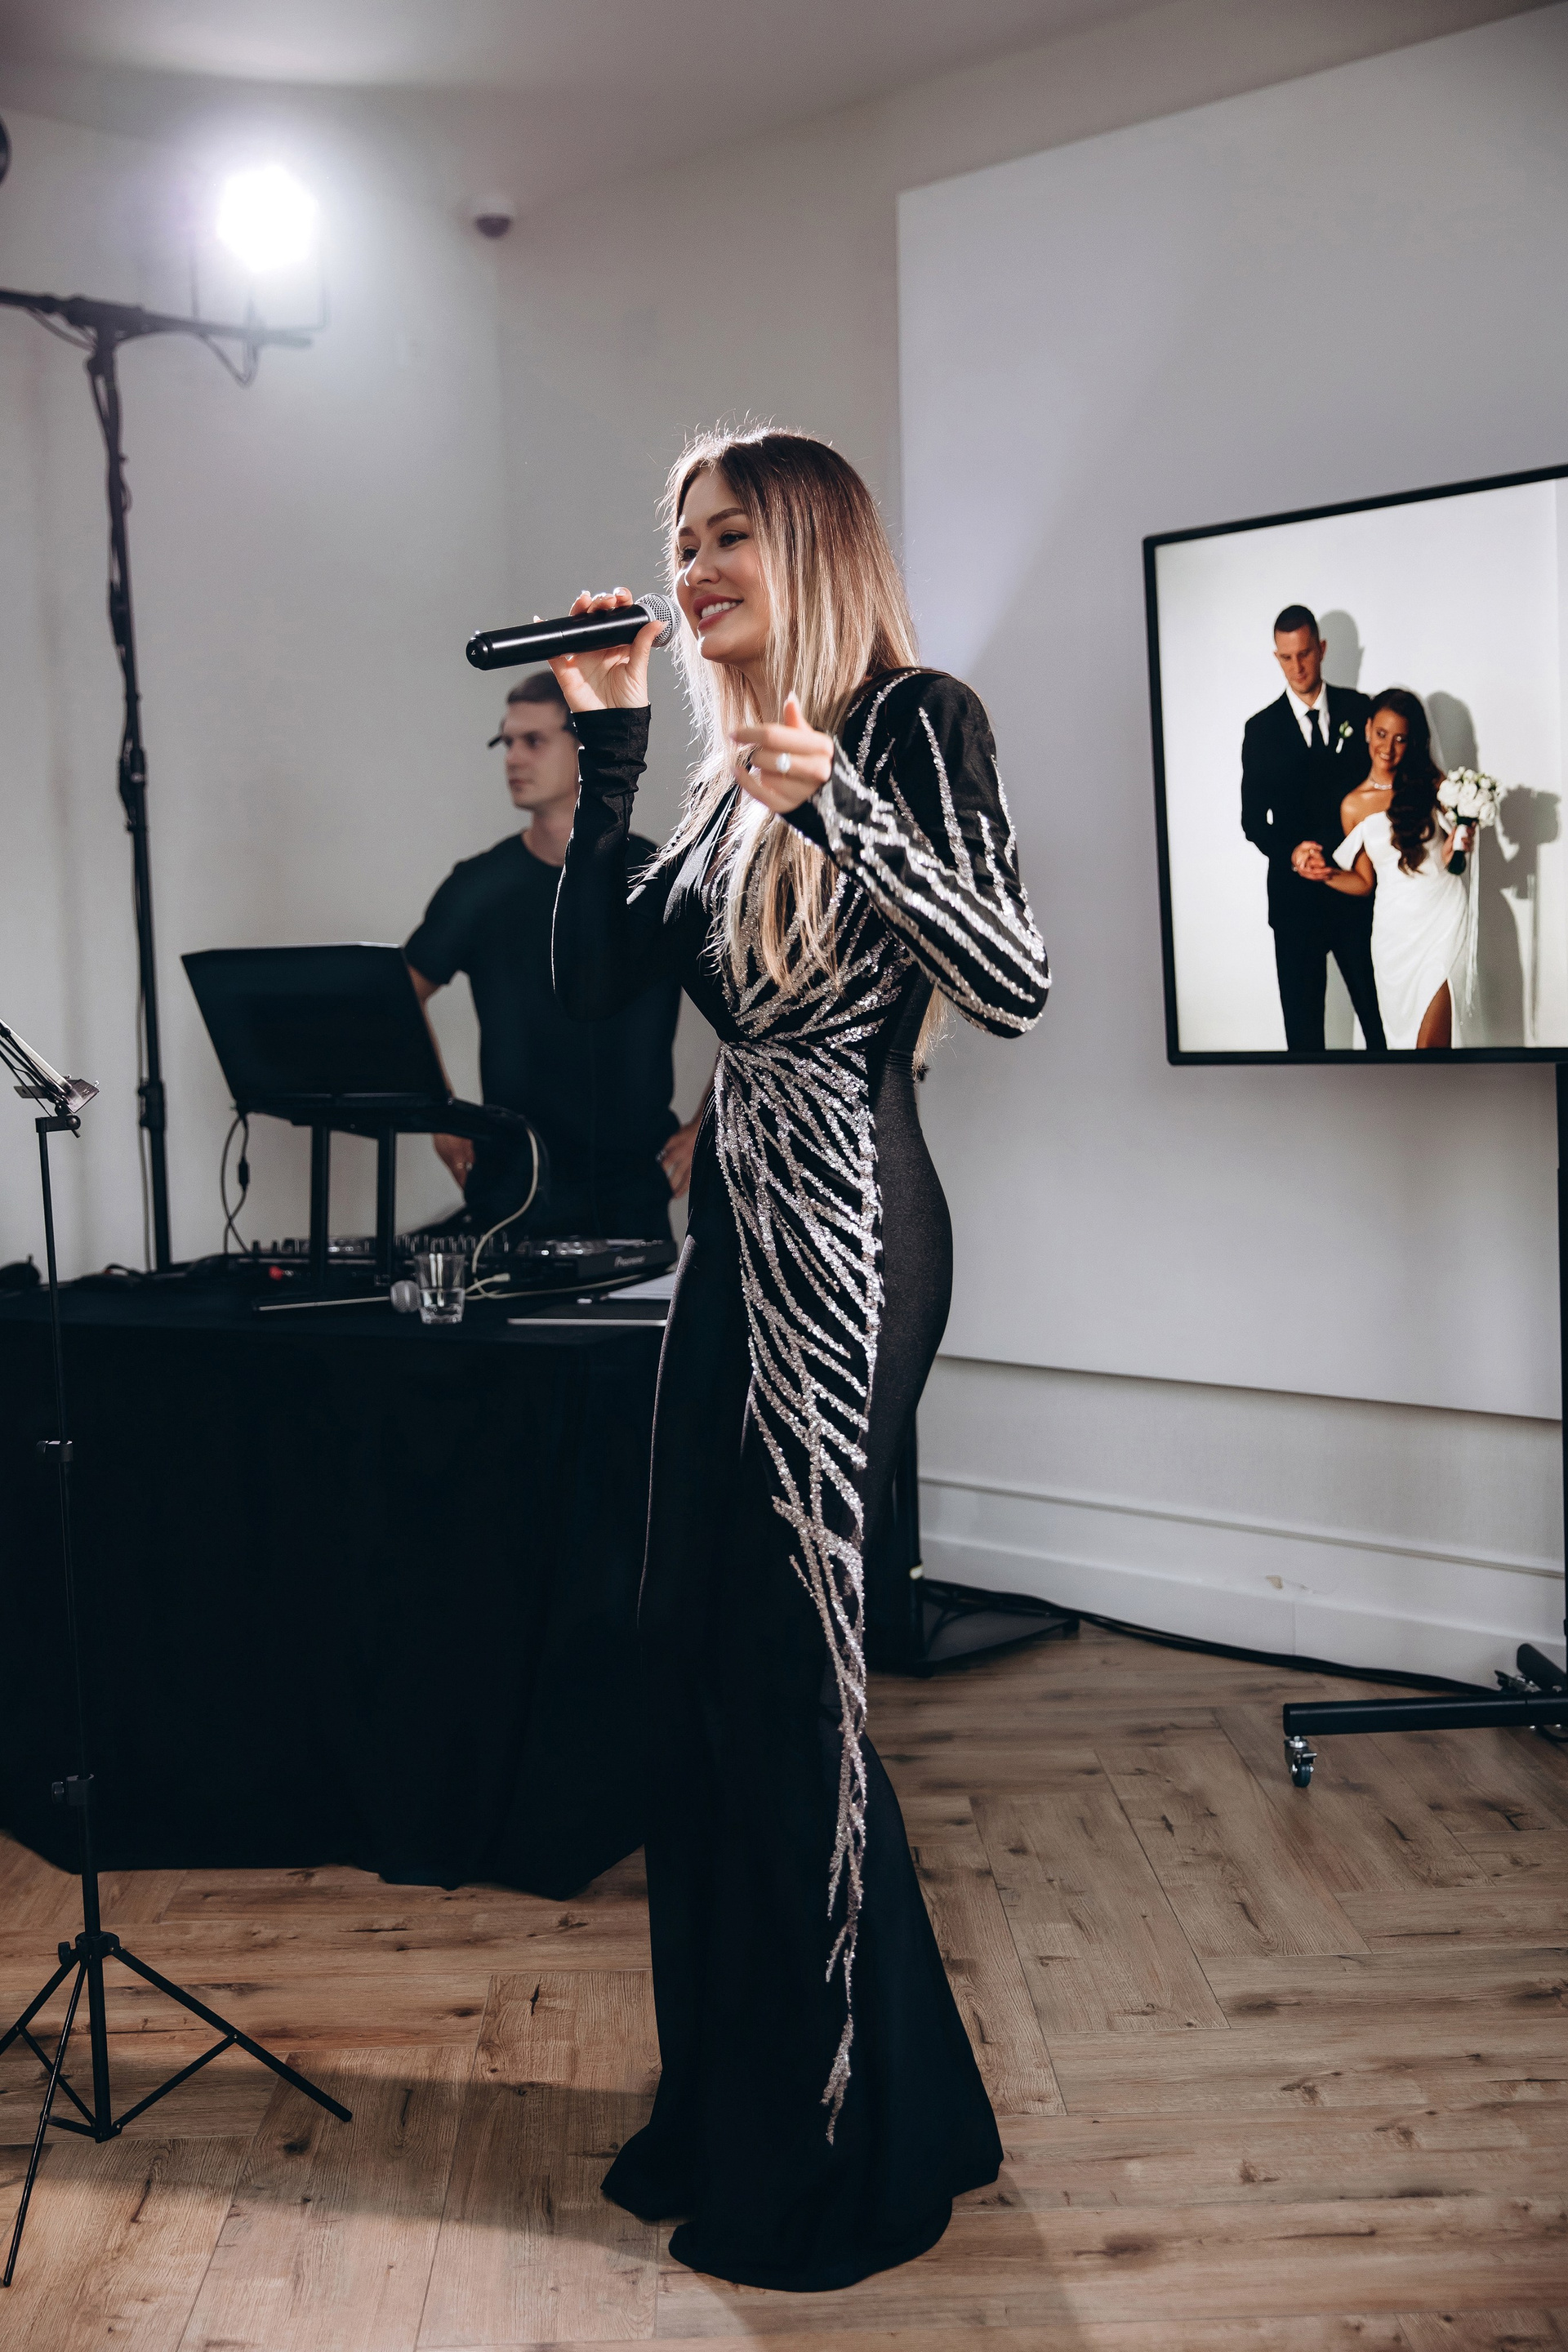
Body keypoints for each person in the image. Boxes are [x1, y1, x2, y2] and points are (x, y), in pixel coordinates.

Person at [548, 428, 1050, 2292]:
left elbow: (1013, 976)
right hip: (729, 1242)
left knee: (786, 1676)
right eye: (679, 537)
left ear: (814, 545)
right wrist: (612, 743)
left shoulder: (910, 723)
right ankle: (749, 2102)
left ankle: (849, 2151)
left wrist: (844, 806)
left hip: (849, 1230)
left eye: (727, 534)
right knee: (687, 1661)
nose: (690, 566)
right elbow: (594, 992)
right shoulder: (714, 778)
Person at [405, 667, 704, 1240]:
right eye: (506, 743)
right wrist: (441, 1115)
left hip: (632, 1188)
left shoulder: (659, 879)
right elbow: (399, 994)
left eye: (533, 741)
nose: (513, 758)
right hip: (515, 1185)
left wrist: (706, 1125)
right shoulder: (478, 887)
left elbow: (750, 1009)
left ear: (584, 748)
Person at [1241, 604, 1385, 1050]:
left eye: (1304, 653)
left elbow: (1384, 788)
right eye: (1286, 658)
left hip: (1359, 895)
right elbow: (1252, 820)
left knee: (1383, 1029)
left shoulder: (1361, 710)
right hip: (1295, 906)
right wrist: (1292, 852)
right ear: (1276, 657)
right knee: (1304, 1043)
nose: (1297, 667)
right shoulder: (1260, 730)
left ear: (1321, 649)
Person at [1297, 688, 1474, 1049]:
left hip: (1442, 916)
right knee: (1409, 1051)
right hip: (1395, 934)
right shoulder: (1353, 806)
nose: (1388, 748)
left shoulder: (1432, 784)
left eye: (1400, 739)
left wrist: (1460, 843)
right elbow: (1364, 882)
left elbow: (1450, 853)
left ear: (1412, 742)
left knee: (1434, 1045)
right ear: (1367, 730)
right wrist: (1323, 873)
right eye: (1381, 734)